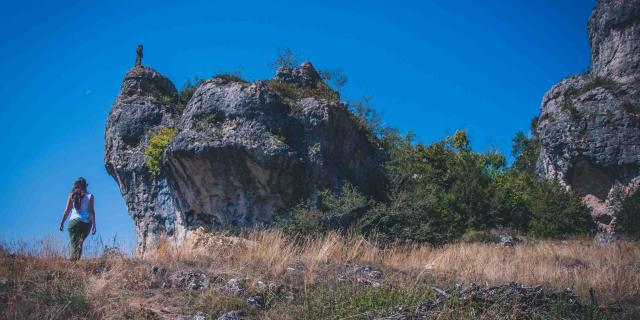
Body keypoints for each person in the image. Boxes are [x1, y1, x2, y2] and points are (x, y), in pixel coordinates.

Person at [59, 177, 96, 260]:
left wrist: (62, 223)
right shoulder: (90, 196)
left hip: (74, 223)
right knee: (79, 244)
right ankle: (75, 264)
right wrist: (94, 225)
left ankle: (73, 264)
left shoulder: (72, 195)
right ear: (85, 185)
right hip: (86, 224)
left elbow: (67, 211)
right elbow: (91, 212)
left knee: (75, 245)